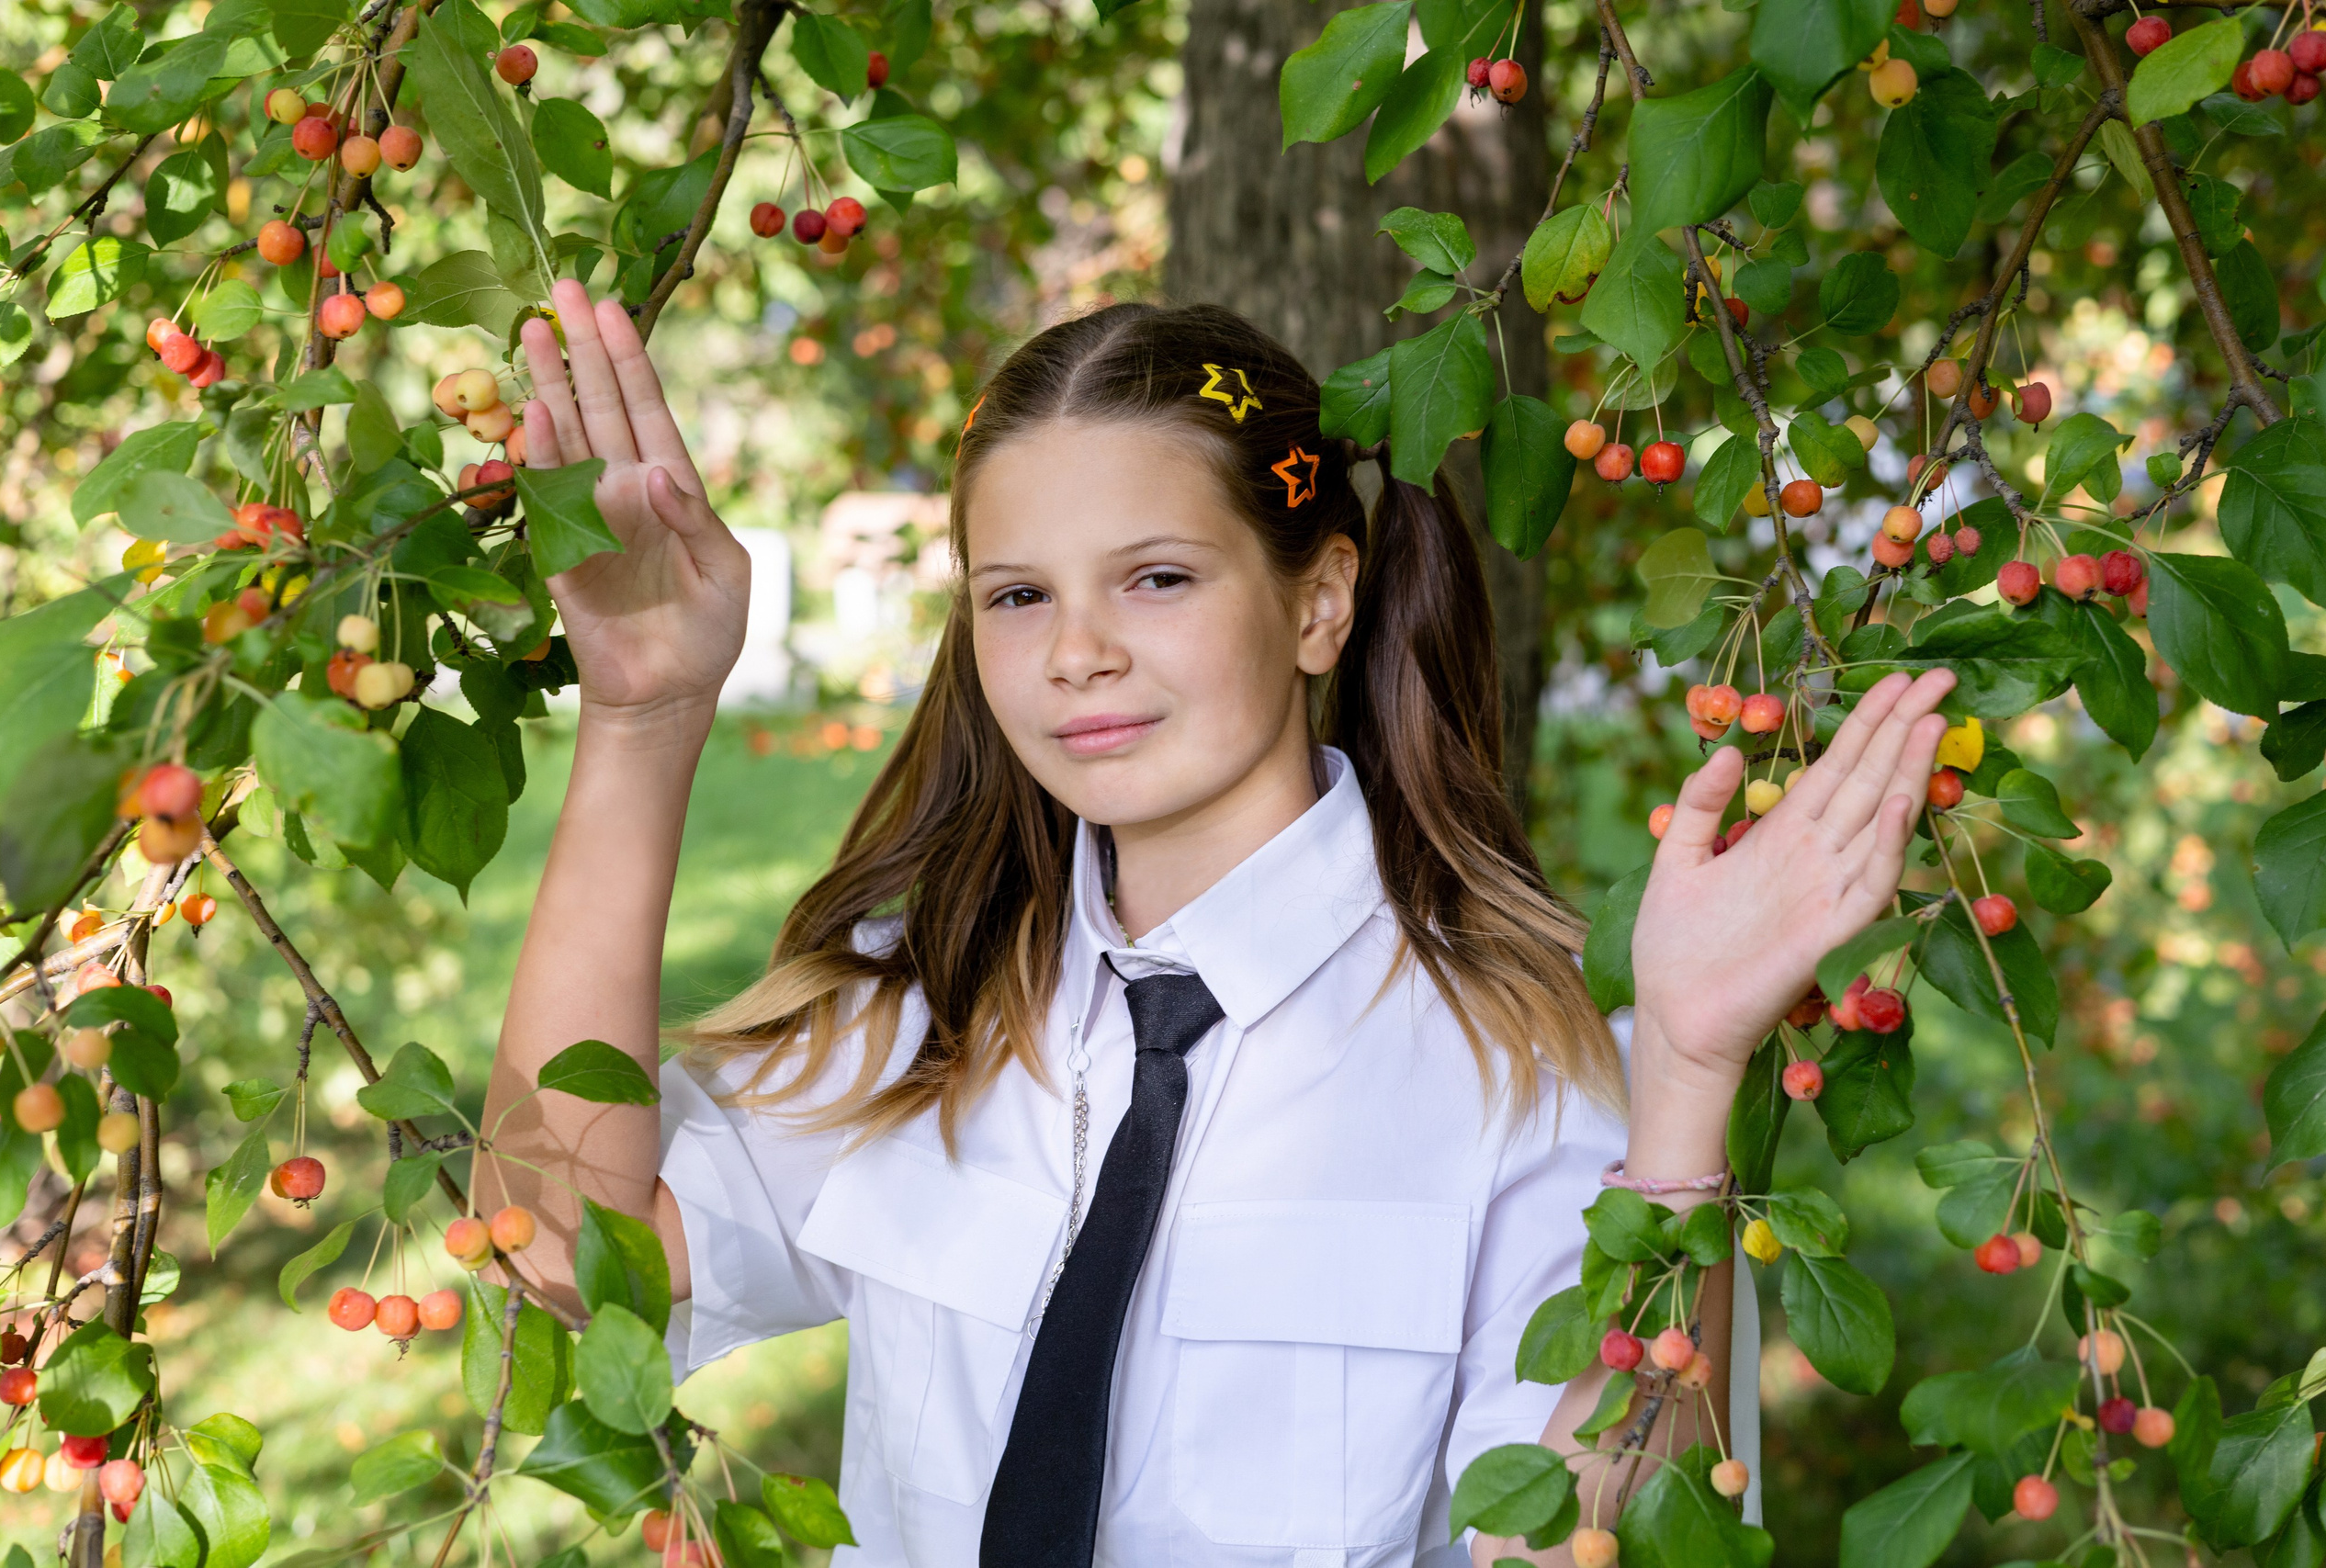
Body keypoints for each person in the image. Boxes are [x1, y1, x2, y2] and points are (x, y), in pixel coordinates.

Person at [484, 279, 1957, 1568]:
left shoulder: (1512, 1063)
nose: (1076, 653)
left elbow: (1580, 1541)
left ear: (1320, 605)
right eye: (1016, 596)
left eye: (1160, 578)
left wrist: (1689, 1078)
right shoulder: (928, 1009)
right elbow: (557, 1246)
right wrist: (642, 716)